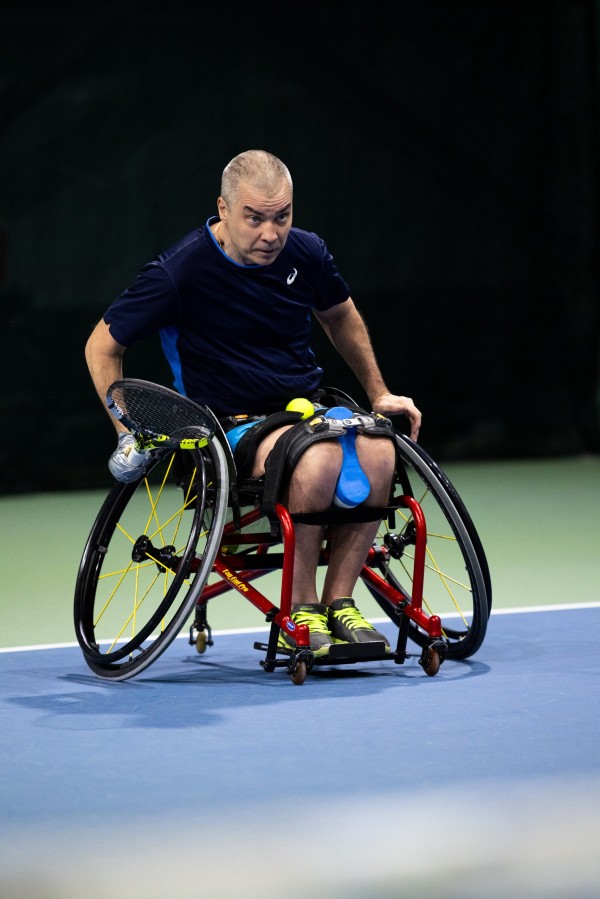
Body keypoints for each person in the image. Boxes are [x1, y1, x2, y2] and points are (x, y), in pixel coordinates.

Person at [85, 149, 421, 659]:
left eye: (282, 217)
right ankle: (301, 607)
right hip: (225, 428)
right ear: (223, 209)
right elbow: (101, 347)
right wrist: (125, 431)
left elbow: (340, 316)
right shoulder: (180, 271)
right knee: (318, 459)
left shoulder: (306, 252)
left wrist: (378, 393)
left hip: (306, 410)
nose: (271, 234)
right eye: (255, 218)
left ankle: (340, 602)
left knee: (378, 451)